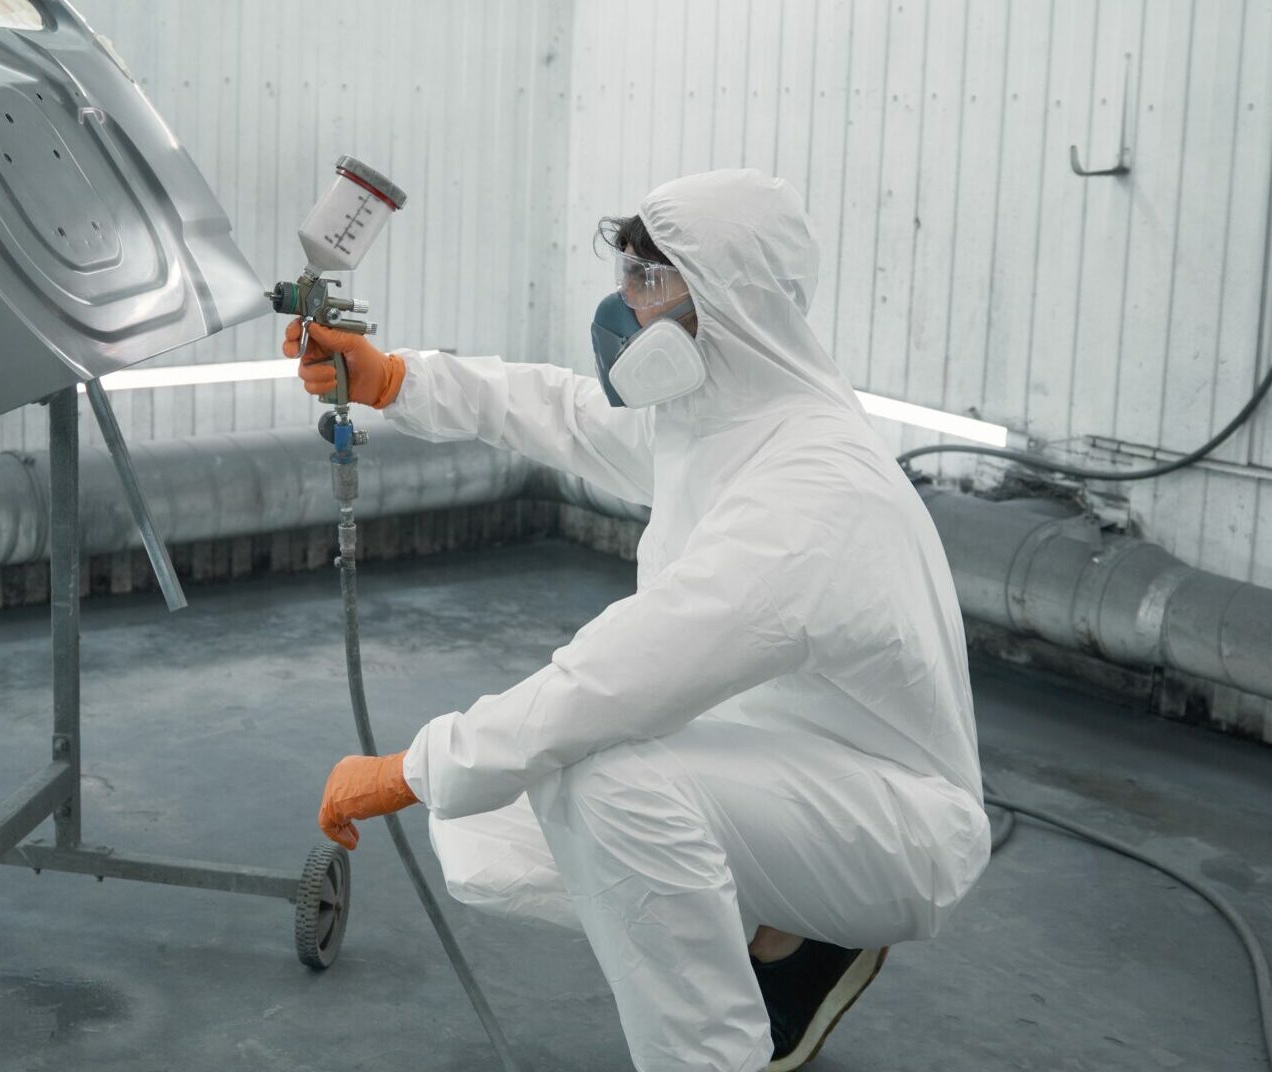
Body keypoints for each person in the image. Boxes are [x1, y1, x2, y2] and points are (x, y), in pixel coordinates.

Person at [289, 169, 990, 1071]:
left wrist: (410, 766)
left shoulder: (811, 486)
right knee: (484, 838)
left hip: (893, 822)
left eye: (649, 281)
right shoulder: (717, 423)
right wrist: (396, 383)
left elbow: (621, 676)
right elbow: (564, 415)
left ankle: (721, 1047)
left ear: (729, 302)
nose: (621, 304)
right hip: (778, 776)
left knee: (601, 779)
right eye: (624, 273)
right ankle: (790, 932)